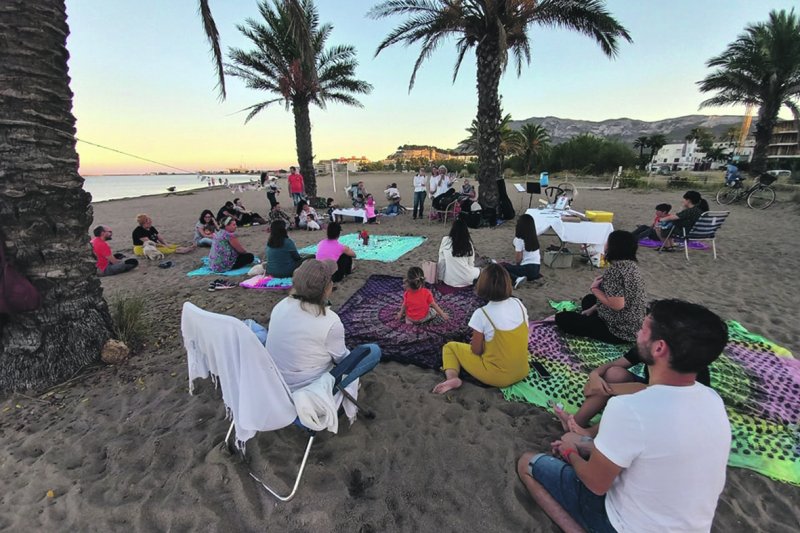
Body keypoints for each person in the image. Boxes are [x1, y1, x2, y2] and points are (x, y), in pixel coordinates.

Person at [517, 300, 730, 533]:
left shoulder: (630, 408)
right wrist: (585, 444)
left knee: (527, 462)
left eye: (644, 328)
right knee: (583, 442)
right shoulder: (713, 400)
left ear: (659, 348)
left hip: (622, 525)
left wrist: (570, 453)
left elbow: (595, 484)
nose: (638, 332)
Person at [266, 259, 381, 391]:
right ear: (327, 288)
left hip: (275, 382)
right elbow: (341, 359)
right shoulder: (330, 321)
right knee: (373, 351)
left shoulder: (281, 305)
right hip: (309, 390)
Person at [433, 264, 530, 394]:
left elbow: (476, 350)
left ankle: (453, 378)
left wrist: (482, 342)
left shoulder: (482, 313)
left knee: (450, 347)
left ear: (482, 285)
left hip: (498, 377)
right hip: (523, 370)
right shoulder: (519, 304)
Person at [555, 230, 646, 344]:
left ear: (613, 247)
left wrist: (594, 289)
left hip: (620, 331)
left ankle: (595, 322)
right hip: (633, 322)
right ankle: (593, 318)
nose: (605, 244)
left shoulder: (615, 271)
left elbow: (617, 305)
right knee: (589, 300)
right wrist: (591, 309)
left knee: (562, 318)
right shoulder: (632, 266)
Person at [502, 214, 542, 289]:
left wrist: (517, 266)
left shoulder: (519, 240)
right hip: (536, 269)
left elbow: (518, 258)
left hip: (527, 268)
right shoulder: (533, 238)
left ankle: (516, 279)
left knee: (502, 267)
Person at [438, 219, 480, 287]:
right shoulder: (468, 243)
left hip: (449, 280)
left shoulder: (445, 240)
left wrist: (440, 278)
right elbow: (471, 264)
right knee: (481, 271)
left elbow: (442, 262)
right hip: (467, 279)